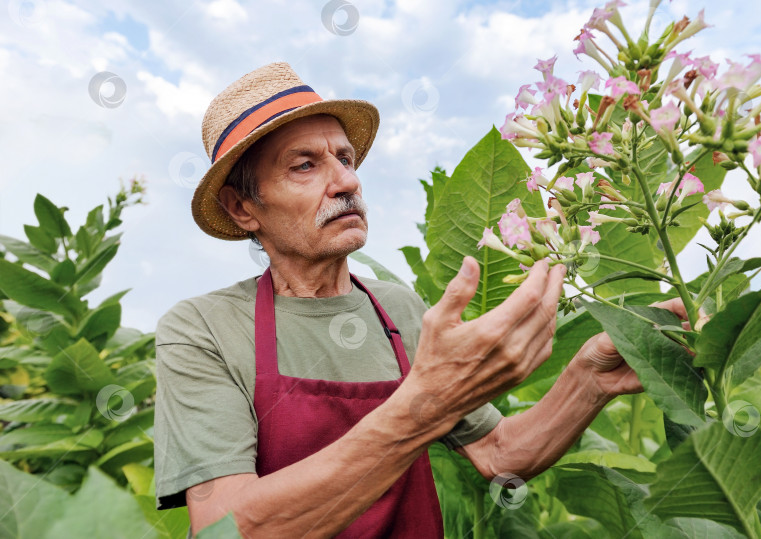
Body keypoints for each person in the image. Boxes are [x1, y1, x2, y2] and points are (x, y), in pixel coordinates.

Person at [153, 62, 669, 537]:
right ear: (243, 208)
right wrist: (425, 407)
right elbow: (226, 526)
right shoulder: (204, 327)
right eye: (305, 166)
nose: (347, 182)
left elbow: (499, 452)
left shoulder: (397, 309)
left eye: (346, 159)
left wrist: (589, 379)